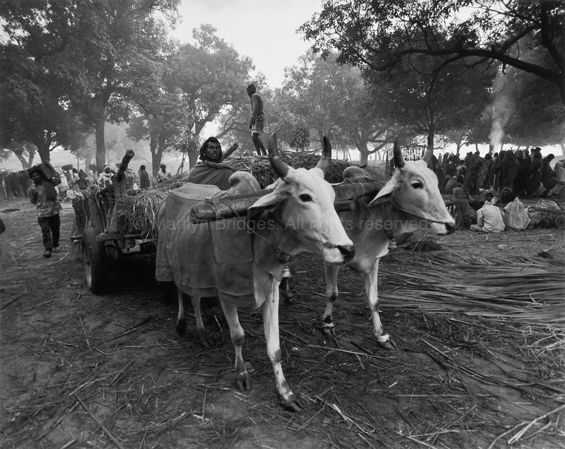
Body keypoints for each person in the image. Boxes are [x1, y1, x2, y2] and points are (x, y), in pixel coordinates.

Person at [28, 168, 62, 258]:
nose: (35, 177)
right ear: (32, 178)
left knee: (55, 229)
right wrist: (41, 204)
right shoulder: (32, 188)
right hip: (42, 213)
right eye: (33, 176)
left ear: (40, 175)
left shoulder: (49, 183)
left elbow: (58, 180)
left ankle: (55, 245)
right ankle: (48, 249)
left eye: (37, 175)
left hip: (54, 211)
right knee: (45, 231)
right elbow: (32, 200)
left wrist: (52, 172)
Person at [246, 83, 267, 156]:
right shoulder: (256, 96)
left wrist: (252, 119)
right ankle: (259, 154)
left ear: (250, 91)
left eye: (248, 92)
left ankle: (264, 152)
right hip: (258, 117)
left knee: (254, 137)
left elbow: (255, 107)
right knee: (253, 138)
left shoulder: (253, 96)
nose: (248, 94)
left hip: (257, 117)